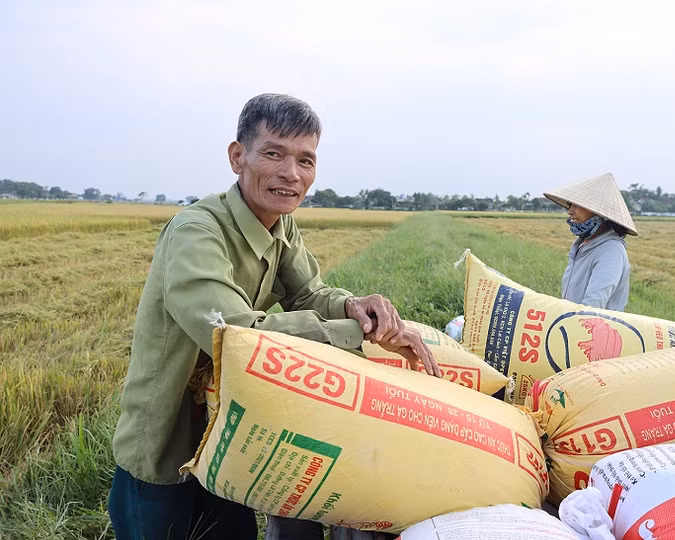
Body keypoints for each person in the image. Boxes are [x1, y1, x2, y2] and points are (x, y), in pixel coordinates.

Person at [108, 93, 441, 540]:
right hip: (168, 440)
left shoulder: (280, 226)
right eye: (273, 153)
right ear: (237, 156)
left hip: (228, 435)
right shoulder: (197, 231)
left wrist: (353, 307)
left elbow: (309, 292)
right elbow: (233, 334)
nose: (291, 174)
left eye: (306, 160)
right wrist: (357, 335)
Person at [543, 172, 638, 311]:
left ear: (600, 212)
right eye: (570, 205)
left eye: (578, 205)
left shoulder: (611, 250)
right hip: (572, 324)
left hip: (593, 328)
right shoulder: (581, 245)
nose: (570, 211)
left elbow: (593, 305)